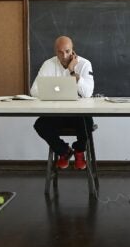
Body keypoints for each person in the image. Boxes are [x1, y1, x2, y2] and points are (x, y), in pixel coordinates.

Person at [30, 36, 95, 170]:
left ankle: (79, 152)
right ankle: (64, 151)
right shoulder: (48, 64)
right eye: (60, 52)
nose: (64, 55)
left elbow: (87, 93)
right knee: (40, 124)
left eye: (67, 51)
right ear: (55, 51)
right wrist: (53, 93)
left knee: (87, 121)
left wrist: (72, 71)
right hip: (56, 113)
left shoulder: (84, 64)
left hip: (78, 114)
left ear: (73, 50)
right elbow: (34, 91)